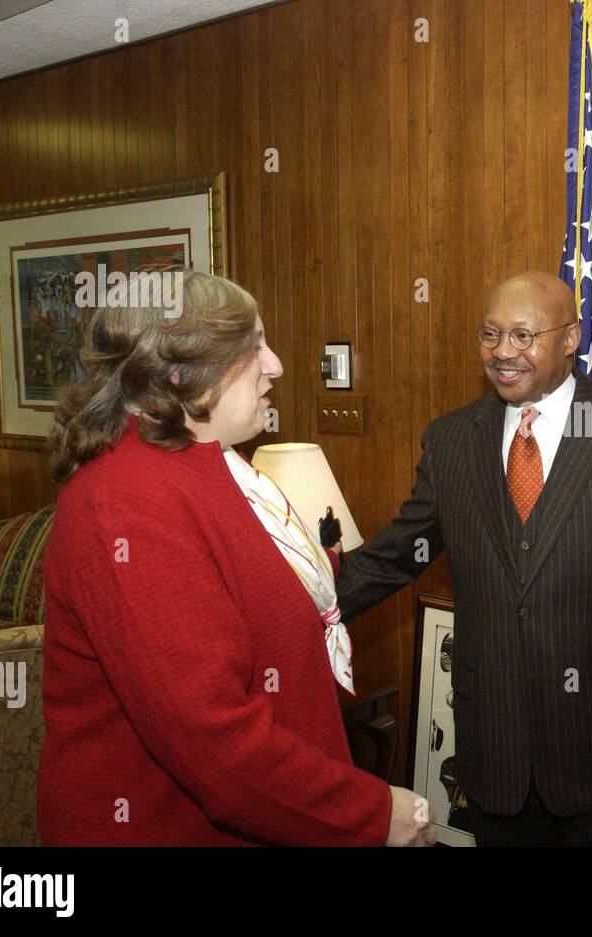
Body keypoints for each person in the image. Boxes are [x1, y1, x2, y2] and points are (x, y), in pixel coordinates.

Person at [38, 271, 434, 846]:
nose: (275, 365)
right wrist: (373, 813)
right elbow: (214, 742)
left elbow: (259, 583)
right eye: (254, 347)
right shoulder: (126, 503)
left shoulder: (215, 464)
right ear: (180, 373)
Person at [336, 271, 592, 846]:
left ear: (570, 339)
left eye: (522, 336)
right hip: (497, 758)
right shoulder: (452, 440)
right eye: (490, 335)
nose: (502, 352)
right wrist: (300, 602)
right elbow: (398, 555)